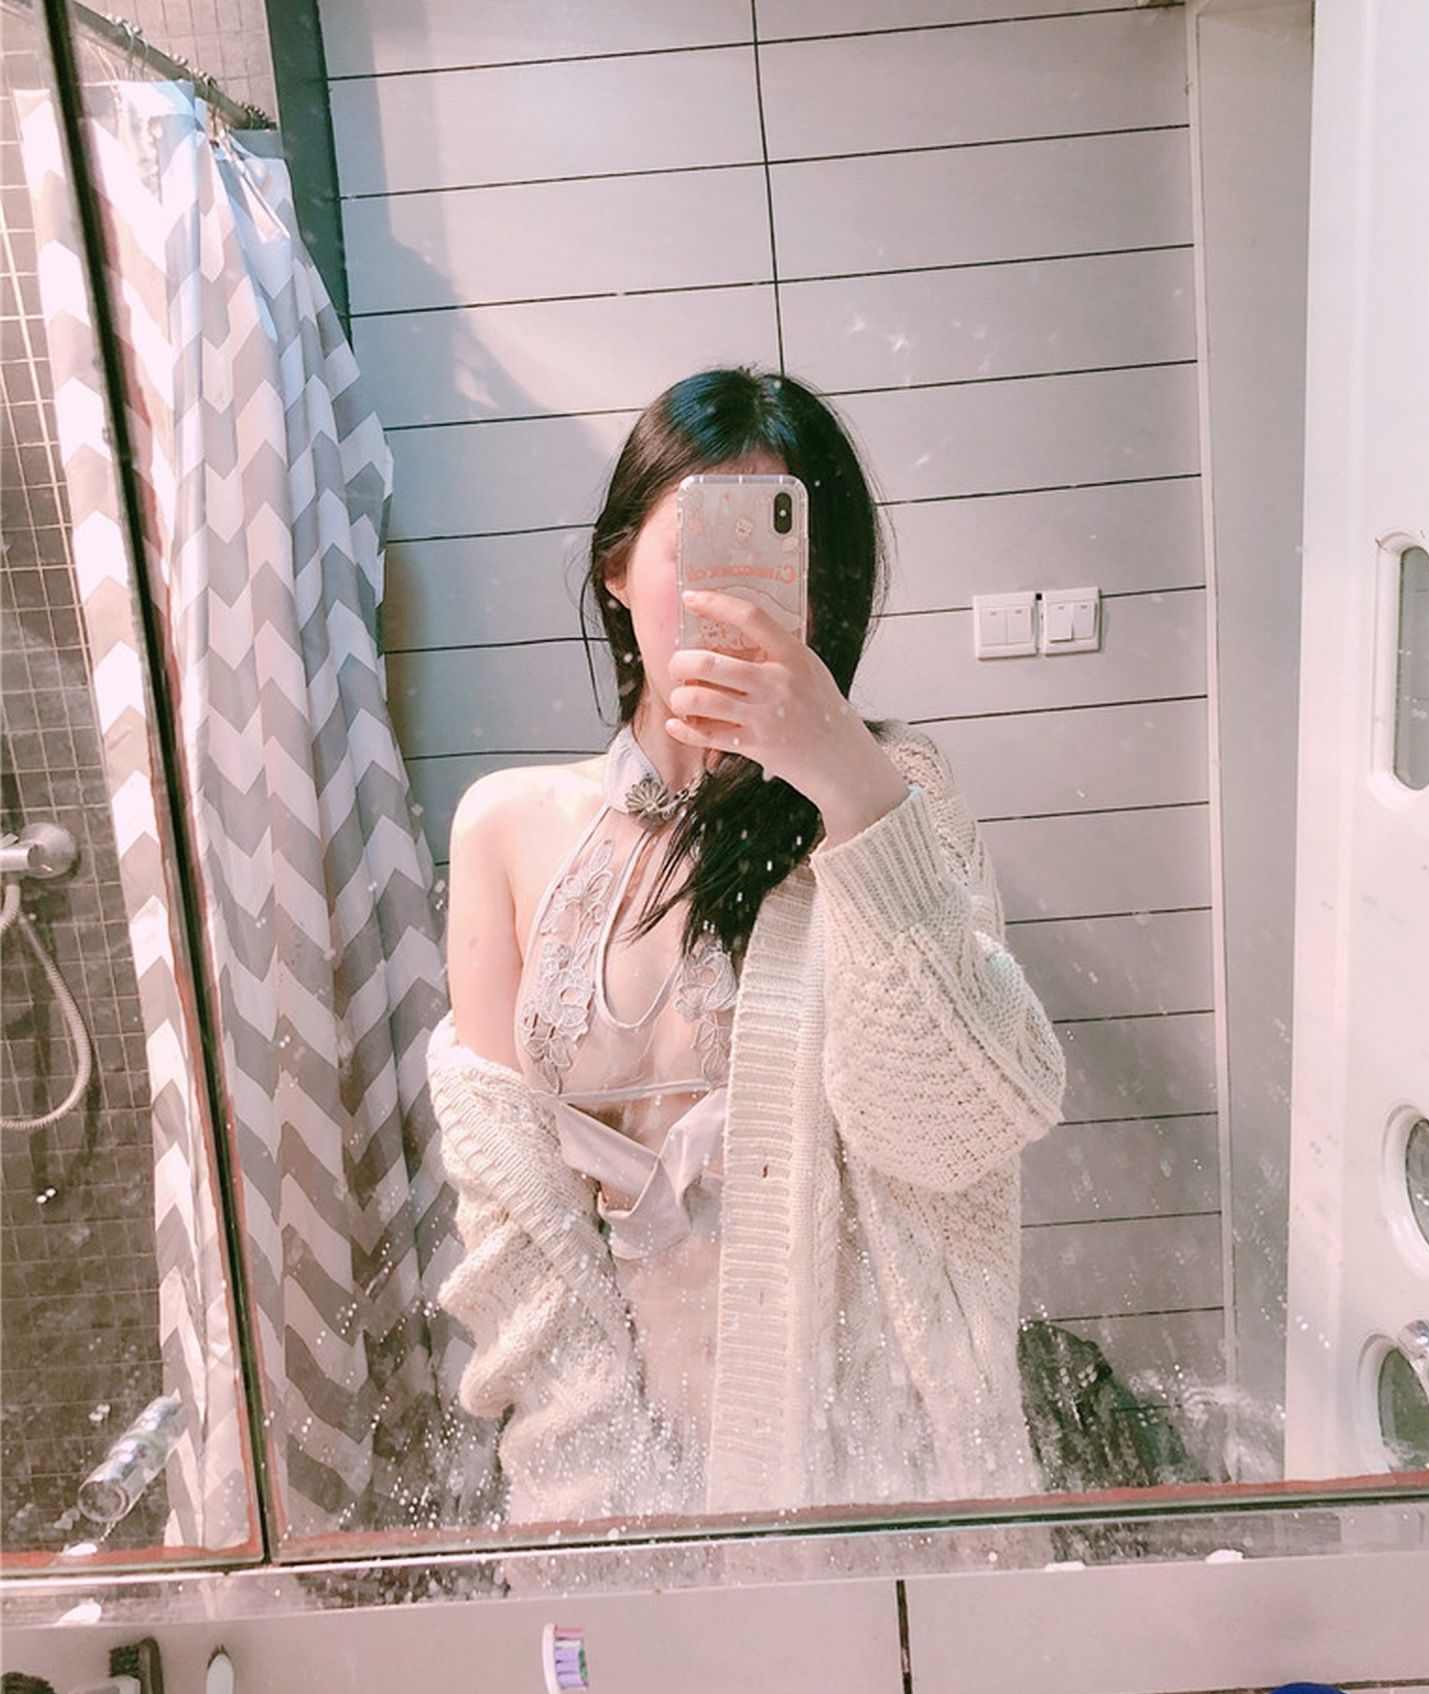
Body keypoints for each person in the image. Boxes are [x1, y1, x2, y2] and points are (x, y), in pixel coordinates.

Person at [426, 367, 1066, 1530]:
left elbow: (951, 1130)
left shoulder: (893, 800)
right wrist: (593, 1501)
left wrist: (842, 777)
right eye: (698, 553)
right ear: (615, 569)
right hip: (609, 1459)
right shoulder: (505, 830)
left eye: (776, 562)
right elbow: (513, 1230)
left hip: (866, 1459)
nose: (737, 603)